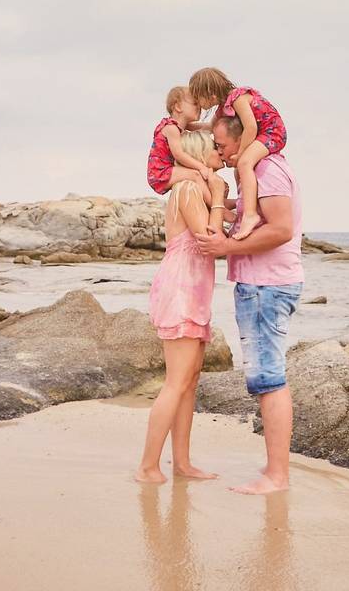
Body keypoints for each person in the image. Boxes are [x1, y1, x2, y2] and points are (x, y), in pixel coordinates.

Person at [195, 114, 304, 495]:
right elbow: (255, 223)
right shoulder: (256, 172)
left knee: (269, 380)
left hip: (266, 286)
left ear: (242, 140)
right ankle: (276, 467)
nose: (219, 153)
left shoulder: (266, 168)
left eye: (222, 146)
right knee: (266, 379)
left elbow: (280, 228)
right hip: (264, 285)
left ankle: (277, 476)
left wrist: (228, 247)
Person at [137, 131, 228, 484]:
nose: (220, 151)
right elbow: (210, 239)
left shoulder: (197, 190)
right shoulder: (188, 189)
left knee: (189, 382)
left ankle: (183, 463)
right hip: (180, 291)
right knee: (176, 382)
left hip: (194, 291)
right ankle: (147, 466)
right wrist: (219, 196)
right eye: (215, 148)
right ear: (200, 153)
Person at [189, 67, 287, 241]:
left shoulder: (238, 97)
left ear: (210, 94)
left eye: (198, 99)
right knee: (239, 170)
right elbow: (210, 128)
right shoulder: (222, 109)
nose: (198, 104)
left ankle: (250, 215)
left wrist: (241, 154)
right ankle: (246, 206)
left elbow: (251, 127)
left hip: (272, 132)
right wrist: (189, 126)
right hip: (261, 134)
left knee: (243, 164)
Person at [147, 86, 213, 199]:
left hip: (165, 171)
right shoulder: (171, 128)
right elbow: (179, 154)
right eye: (195, 103)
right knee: (196, 175)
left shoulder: (179, 126)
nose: (200, 108)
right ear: (178, 107)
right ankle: (216, 204)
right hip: (160, 173)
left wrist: (219, 123)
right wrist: (201, 167)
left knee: (198, 178)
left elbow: (204, 127)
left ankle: (220, 200)